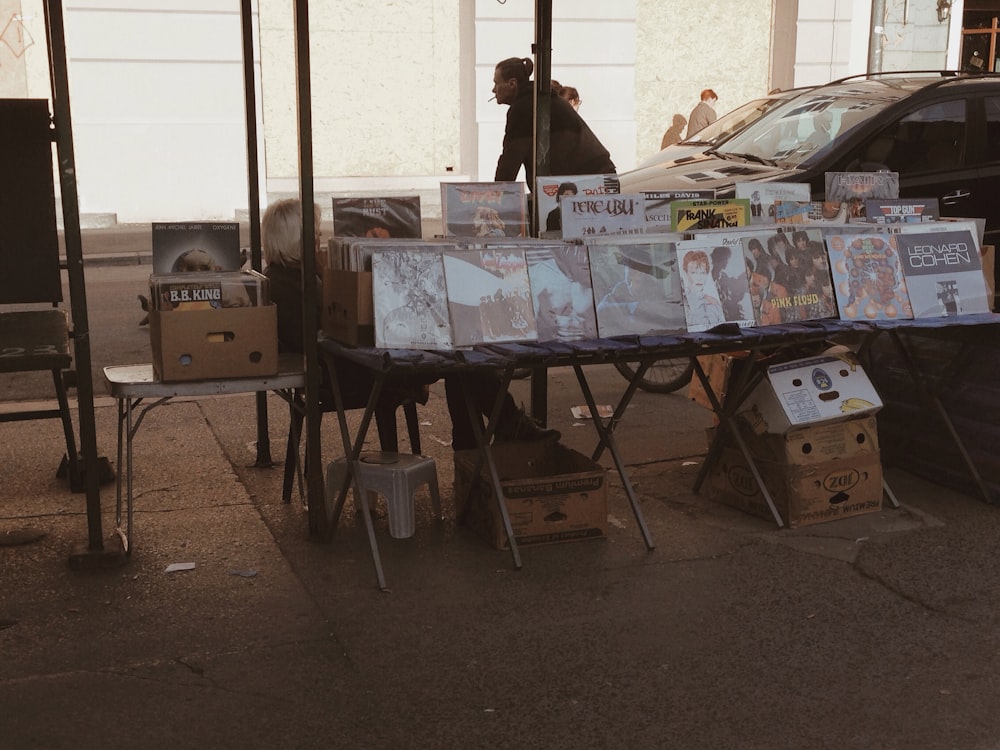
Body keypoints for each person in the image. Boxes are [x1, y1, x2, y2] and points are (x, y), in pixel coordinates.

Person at [261, 198, 558, 452]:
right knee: (462, 359)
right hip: (348, 373)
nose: (319, 237)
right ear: (294, 239)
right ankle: (494, 434)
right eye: (312, 233)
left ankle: (477, 446)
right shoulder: (285, 285)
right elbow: (317, 338)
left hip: (352, 363)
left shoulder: (298, 275)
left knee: (461, 358)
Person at [491, 57, 615, 186]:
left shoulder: (524, 106)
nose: (493, 90)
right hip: (600, 176)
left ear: (512, 83)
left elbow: (511, 158)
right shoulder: (537, 99)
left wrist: (496, 194)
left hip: (590, 178)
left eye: (496, 83)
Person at [680, 249, 725, 329]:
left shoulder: (713, 302)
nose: (699, 278)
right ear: (685, 273)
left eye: (703, 273)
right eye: (694, 272)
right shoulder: (680, 302)